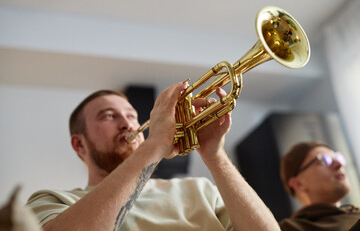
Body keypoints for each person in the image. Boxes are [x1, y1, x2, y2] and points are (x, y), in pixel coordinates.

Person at [26, 82, 280, 231]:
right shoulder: (52, 201)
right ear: (79, 144)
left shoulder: (200, 189)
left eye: (131, 115)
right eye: (109, 116)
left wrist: (215, 155)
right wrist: (156, 144)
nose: (127, 124)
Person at [279, 141, 360, 231]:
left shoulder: (354, 212)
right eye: (324, 160)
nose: (339, 164)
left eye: (338, 158)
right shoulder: (290, 228)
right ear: (298, 184)